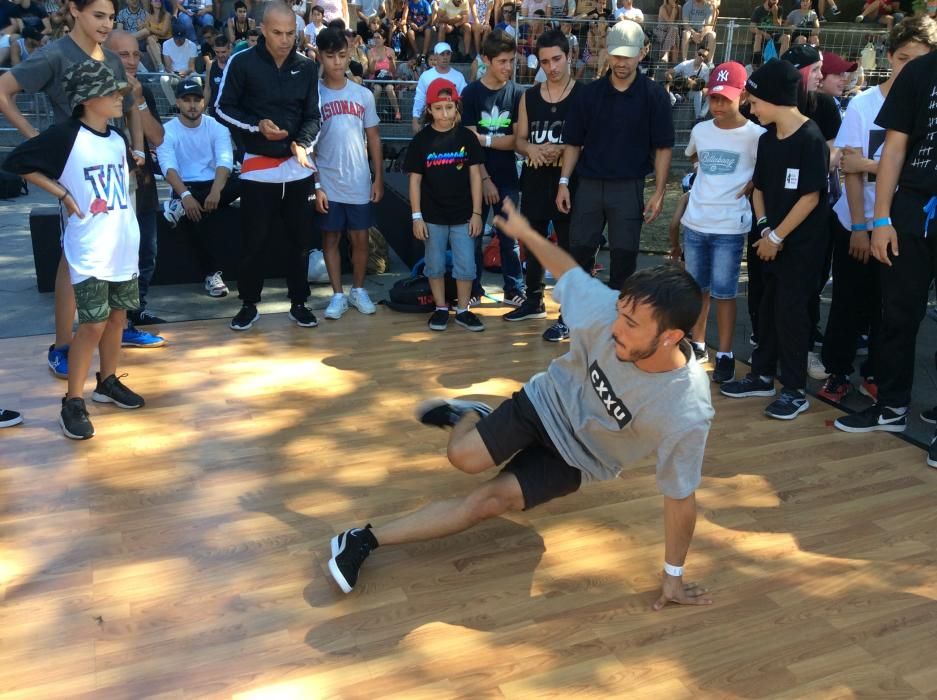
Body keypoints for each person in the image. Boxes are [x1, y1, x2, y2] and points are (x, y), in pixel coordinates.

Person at [326, 199, 715, 612]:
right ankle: (467, 416)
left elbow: (680, 497)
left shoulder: (684, 409)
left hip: (580, 459)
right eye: (621, 313)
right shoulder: (609, 313)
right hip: (546, 402)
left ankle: (364, 538)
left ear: (672, 337)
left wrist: (673, 576)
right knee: (462, 457)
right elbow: (569, 272)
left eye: (632, 325)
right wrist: (528, 234)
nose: (616, 328)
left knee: (485, 503)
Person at [0, 0, 154, 381]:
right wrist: (39, 141)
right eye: (98, 15)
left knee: (116, 251)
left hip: (112, 170)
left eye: (112, 18)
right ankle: (62, 346)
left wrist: (135, 149)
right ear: (73, 9)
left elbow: (131, 104)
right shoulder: (54, 54)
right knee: (75, 259)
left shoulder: (112, 59)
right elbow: (3, 91)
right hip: (76, 173)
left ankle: (112, 340)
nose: (106, 24)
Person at [5, 60, 147, 440]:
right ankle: (72, 401)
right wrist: (63, 194)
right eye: (112, 91)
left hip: (121, 244)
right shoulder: (65, 135)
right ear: (87, 98)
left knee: (118, 318)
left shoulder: (116, 138)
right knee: (93, 323)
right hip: (89, 248)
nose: (120, 96)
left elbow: (117, 183)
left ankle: (108, 381)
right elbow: (17, 162)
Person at [834, 17, 937, 466]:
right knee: (898, 311)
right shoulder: (920, 73)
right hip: (912, 207)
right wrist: (880, 218)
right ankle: (891, 405)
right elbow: (893, 149)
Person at [720, 59, 830, 420]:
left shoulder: (811, 138)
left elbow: (811, 197)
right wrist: (766, 228)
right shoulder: (767, 140)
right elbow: (760, 189)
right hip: (768, 243)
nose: (751, 108)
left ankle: (795, 390)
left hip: (801, 247)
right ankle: (762, 375)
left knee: (791, 314)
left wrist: (780, 235)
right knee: (765, 308)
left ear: (776, 98)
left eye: (755, 101)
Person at [215, 1, 321, 331]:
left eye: (291, 33)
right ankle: (249, 303)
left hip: (296, 167)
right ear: (263, 29)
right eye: (278, 32)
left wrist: (302, 144)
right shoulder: (242, 62)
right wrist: (255, 126)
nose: (285, 39)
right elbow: (220, 107)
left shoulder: (306, 67)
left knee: (301, 241)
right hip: (258, 166)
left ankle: (299, 302)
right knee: (254, 240)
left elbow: (313, 116)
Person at [557, 20, 674, 291]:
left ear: (642, 53)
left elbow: (664, 147)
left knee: (624, 258)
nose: (622, 62)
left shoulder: (654, 96)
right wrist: (563, 182)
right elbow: (573, 143)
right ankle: (572, 317)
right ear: (607, 52)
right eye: (617, 54)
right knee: (579, 253)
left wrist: (658, 192)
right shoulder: (588, 95)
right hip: (588, 185)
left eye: (628, 55)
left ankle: (619, 322)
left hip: (629, 186)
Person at [679, 61, 764, 380]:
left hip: (730, 227)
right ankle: (697, 343)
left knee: (725, 292)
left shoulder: (755, 135)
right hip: (696, 223)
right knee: (696, 288)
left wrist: (753, 183)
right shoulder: (701, 130)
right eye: (713, 97)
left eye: (725, 99)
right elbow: (693, 155)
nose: (717, 105)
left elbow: (764, 170)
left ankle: (726, 351)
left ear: (742, 96)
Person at [504, 28, 581, 342]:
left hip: (568, 183)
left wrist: (562, 151)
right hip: (535, 179)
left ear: (569, 56)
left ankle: (568, 316)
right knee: (533, 245)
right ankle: (534, 300)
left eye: (557, 59)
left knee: (568, 250)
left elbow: (588, 140)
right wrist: (531, 149)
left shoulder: (583, 94)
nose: (552, 67)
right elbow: (520, 139)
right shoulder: (530, 96)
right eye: (545, 61)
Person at [310, 26, 383, 320]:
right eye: (330, 56)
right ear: (320, 57)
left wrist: (378, 177)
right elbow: (309, 145)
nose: (337, 62)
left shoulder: (363, 95)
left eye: (342, 55)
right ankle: (338, 294)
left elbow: (374, 138)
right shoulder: (313, 95)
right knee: (330, 239)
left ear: (350, 53)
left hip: (358, 180)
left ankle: (358, 289)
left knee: (360, 239)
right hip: (328, 180)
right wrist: (316, 184)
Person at [404, 77, 485, 331]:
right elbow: (415, 182)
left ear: (456, 107)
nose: (444, 113)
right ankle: (440, 308)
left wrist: (477, 213)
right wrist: (416, 216)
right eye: (438, 108)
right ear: (429, 109)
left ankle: (462, 309)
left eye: (449, 107)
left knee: (466, 266)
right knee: (435, 264)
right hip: (432, 216)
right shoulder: (421, 141)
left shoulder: (467, 138)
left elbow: (475, 176)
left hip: (463, 215)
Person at [106, 29, 168, 328]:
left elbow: (157, 136)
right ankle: (112, 321)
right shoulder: (94, 93)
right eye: (123, 54)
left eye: (135, 54)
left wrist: (139, 100)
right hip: (109, 195)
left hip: (142, 190)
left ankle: (135, 312)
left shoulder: (141, 88)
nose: (132, 61)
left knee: (146, 256)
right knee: (115, 261)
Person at [157, 78, 239, 299]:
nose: (192, 105)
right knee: (202, 216)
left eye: (196, 100)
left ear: (203, 102)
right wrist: (184, 195)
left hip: (214, 185)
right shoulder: (167, 131)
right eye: (186, 100)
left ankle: (178, 207)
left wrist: (216, 191)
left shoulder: (217, 127)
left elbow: (225, 161)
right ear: (178, 103)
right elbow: (168, 167)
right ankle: (212, 275)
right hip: (187, 186)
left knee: (248, 181)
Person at [462, 29, 526, 306]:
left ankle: (514, 288)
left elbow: (517, 140)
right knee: (473, 237)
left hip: (509, 177)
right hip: (476, 178)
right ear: (486, 60)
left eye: (511, 61)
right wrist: (485, 179)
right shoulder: (472, 93)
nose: (508, 67)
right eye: (502, 61)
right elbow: (468, 141)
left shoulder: (517, 93)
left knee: (510, 239)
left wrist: (486, 139)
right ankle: (472, 289)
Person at [410, 41, 467, 133]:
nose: (445, 57)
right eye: (442, 54)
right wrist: (415, 120)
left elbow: (463, 99)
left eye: (448, 54)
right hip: (431, 121)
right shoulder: (426, 76)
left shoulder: (459, 76)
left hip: (452, 123)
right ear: (436, 56)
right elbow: (419, 98)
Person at [672, 46, 712, 120]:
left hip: (696, 90)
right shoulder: (686, 64)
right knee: (698, 92)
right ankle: (698, 118)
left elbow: (706, 85)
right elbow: (670, 72)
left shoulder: (705, 69)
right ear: (695, 53)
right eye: (700, 54)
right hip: (685, 91)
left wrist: (703, 88)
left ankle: (701, 116)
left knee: (712, 94)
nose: (701, 57)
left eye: (704, 56)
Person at [749, 0, 788, 66]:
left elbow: (778, 27)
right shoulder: (758, 10)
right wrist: (763, 33)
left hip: (774, 34)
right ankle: (756, 63)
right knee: (758, 36)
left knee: (786, 37)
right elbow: (752, 27)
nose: (775, 2)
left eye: (776, 1)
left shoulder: (779, 9)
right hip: (761, 34)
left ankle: (781, 63)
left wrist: (775, 14)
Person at [144, 0, 172, 70]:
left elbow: (163, 32)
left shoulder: (167, 15)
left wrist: (149, 28)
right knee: (148, 44)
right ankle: (160, 68)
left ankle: (160, 69)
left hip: (167, 41)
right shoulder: (149, 16)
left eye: (159, 1)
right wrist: (140, 26)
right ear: (151, 3)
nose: (158, 2)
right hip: (156, 40)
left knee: (150, 41)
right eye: (156, 0)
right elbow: (145, 28)